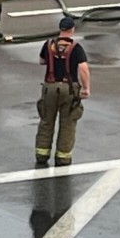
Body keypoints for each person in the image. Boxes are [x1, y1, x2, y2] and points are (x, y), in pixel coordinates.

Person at [34, 15, 90, 167]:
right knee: (68, 123)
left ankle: (42, 154)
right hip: (69, 89)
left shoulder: (48, 44)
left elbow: (41, 61)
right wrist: (86, 88)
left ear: (60, 29)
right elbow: (83, 68)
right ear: (72, 29)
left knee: (46, 121)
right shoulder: (76, 47)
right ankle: (63, 158)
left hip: (49, 88)